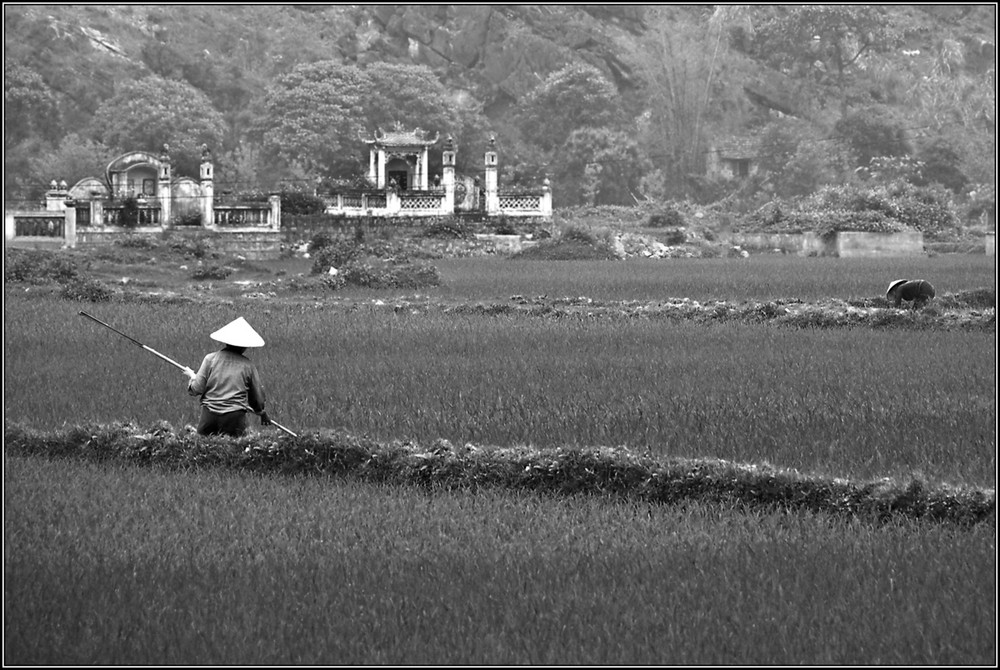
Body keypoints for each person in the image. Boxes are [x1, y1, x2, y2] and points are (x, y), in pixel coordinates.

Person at [182, 316, 270, 436]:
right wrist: (261, 412)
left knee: (204, 450)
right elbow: (257, 399)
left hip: (209, 417)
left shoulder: (210, 359)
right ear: (245, 346)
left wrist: (192, 377)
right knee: (232, 452)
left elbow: (196, 389)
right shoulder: (248, 366)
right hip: (233, 419)